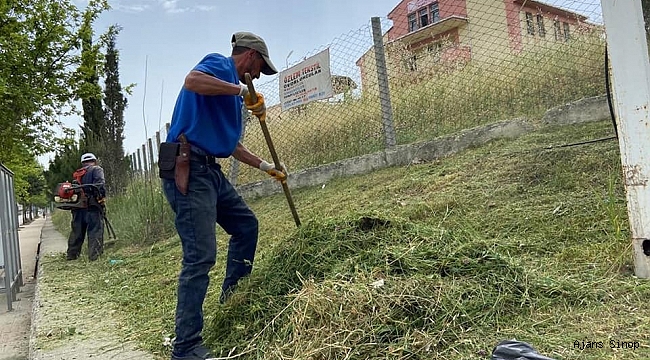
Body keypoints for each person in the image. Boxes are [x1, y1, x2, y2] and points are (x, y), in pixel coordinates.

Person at [161, 32, 286, 360]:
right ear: (250, 57)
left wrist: (266, 165)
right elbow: (192, 81)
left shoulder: (232, 96)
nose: (259, 75)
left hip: (210, 170)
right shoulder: (219, 65)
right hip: (187, 167)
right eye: (260, 68)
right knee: (200, 255)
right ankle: (185, 346)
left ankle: (233, 302)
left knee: (246, 226)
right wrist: (241, 89)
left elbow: (230, 144)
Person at [66, 152, 106, 261]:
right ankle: (95, 257)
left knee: (77, 232)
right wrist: (101, 199)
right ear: (94, 161)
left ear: (82, 162)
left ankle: (72, 255)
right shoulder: (97, 170)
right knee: (95, 231)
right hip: (93, 206)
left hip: (78, 208)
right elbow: (100, 186)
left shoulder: (78, 174)